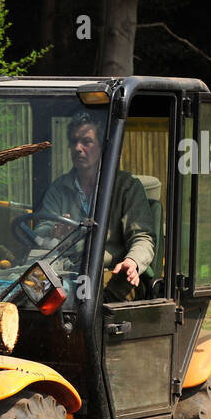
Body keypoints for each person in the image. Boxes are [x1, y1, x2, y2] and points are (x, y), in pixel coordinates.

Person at [29, 111, 155, 301]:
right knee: (24, 290)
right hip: (62, 268)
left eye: (86, 142)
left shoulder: (127, 188)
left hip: (107, 273)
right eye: (74, 141)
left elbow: (143, 237)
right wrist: (54, 231)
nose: (78, 148)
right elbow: (42, 227)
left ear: (103, 147)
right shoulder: (59, 187)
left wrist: (132, 261)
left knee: (74, 302)